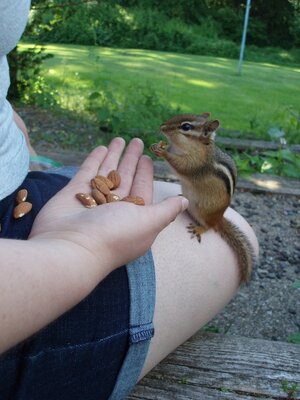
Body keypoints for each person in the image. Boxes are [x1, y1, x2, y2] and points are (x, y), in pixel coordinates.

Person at [0, 1, 259, 399]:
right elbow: (186, 171)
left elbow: (190, 176)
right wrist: (80, 249)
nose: (174, 131)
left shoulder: (200, 159)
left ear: (204, 136)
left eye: (184, 129)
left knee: (173, 200)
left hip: (15, 191)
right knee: (238, 233)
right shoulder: (192, 156)